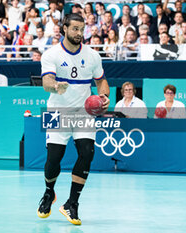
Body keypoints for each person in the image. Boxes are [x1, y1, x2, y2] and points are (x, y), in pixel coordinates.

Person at [38, 13, 110, 225]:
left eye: (82, 29)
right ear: (64, 29)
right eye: (75, 29)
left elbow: (101, 81)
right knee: (53, 159)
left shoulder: (93, 55)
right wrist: (55, 86)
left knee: (87, 153)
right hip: (56, 110)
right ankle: (49, 192)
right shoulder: (51, 54)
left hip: (83, 112)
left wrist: (104, 96)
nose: (79, 33)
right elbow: (46, 82)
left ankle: (72, 203)